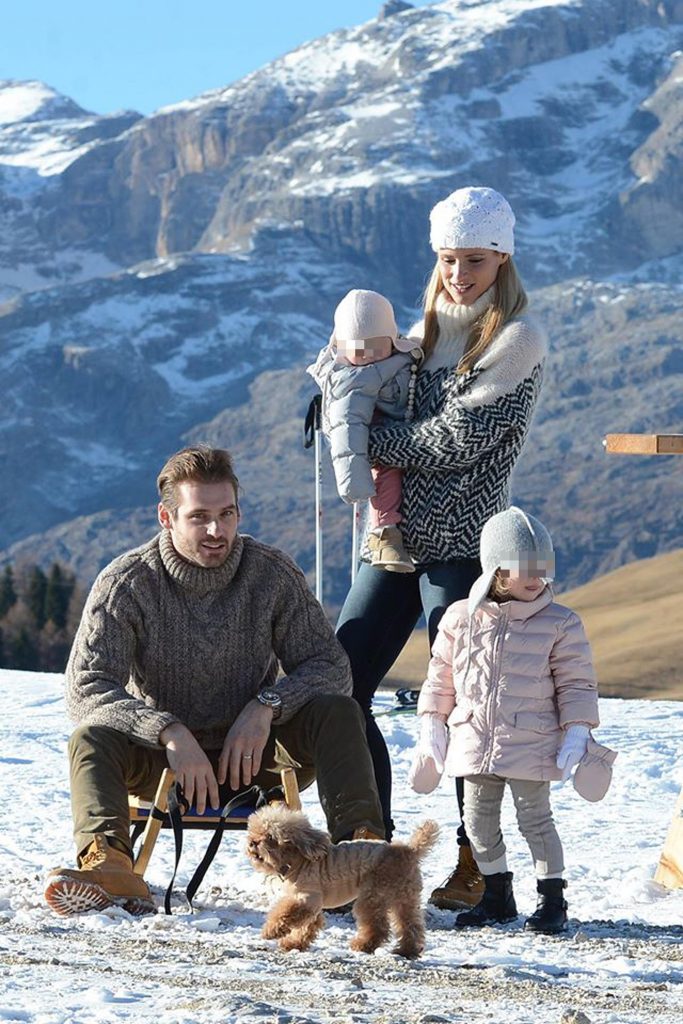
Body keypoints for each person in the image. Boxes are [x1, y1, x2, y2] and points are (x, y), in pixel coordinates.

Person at [44, 445, 385, 917]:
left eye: (226, 514)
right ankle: (110, 865)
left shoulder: (271, 574)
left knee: (338, 710)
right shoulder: (127, 583)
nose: (216, 530)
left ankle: (359, 860)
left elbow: (329, 666)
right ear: (166, 517)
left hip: (256, 761)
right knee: (90, 737)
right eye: (199, 517)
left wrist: (267, 705)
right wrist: (166, 730)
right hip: (163, 765)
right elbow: (87, 686)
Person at [335, 185, 548, 909]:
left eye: (476, 260)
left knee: (463, 705)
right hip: (392, 543)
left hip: (462, 544)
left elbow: (459, 440)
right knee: (340, 684)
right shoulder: (416, 338)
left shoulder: (516, 340)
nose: (460, 274)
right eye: (449, 259)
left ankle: (476, 865)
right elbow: (363, 388)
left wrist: (365, 441)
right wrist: (341, 409)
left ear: (502, 259)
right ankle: (367, 849)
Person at [408, 507, 601, 934]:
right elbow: (441, 676)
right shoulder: (460, 618)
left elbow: (577, 684)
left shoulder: (561, 623)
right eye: (523, 567)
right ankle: (496, 895)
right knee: (477, 822)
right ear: (496, 568)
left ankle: (552, 899)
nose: (536, 577)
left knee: (536, 821)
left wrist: (578, 730)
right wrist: (433, 722)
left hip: (532, 740)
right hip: (474, 739)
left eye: (542, 567)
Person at [307, 288, 423, 573]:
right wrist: (354, 484)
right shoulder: (351, 382)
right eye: (356, 349)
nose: (364, 355)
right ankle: (385, 536)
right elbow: (347, 432)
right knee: (386, 474)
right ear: (340, 345)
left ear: (392, 341)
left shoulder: (399, 357)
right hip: (378, 441)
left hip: (403, 431)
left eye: (373, 347)